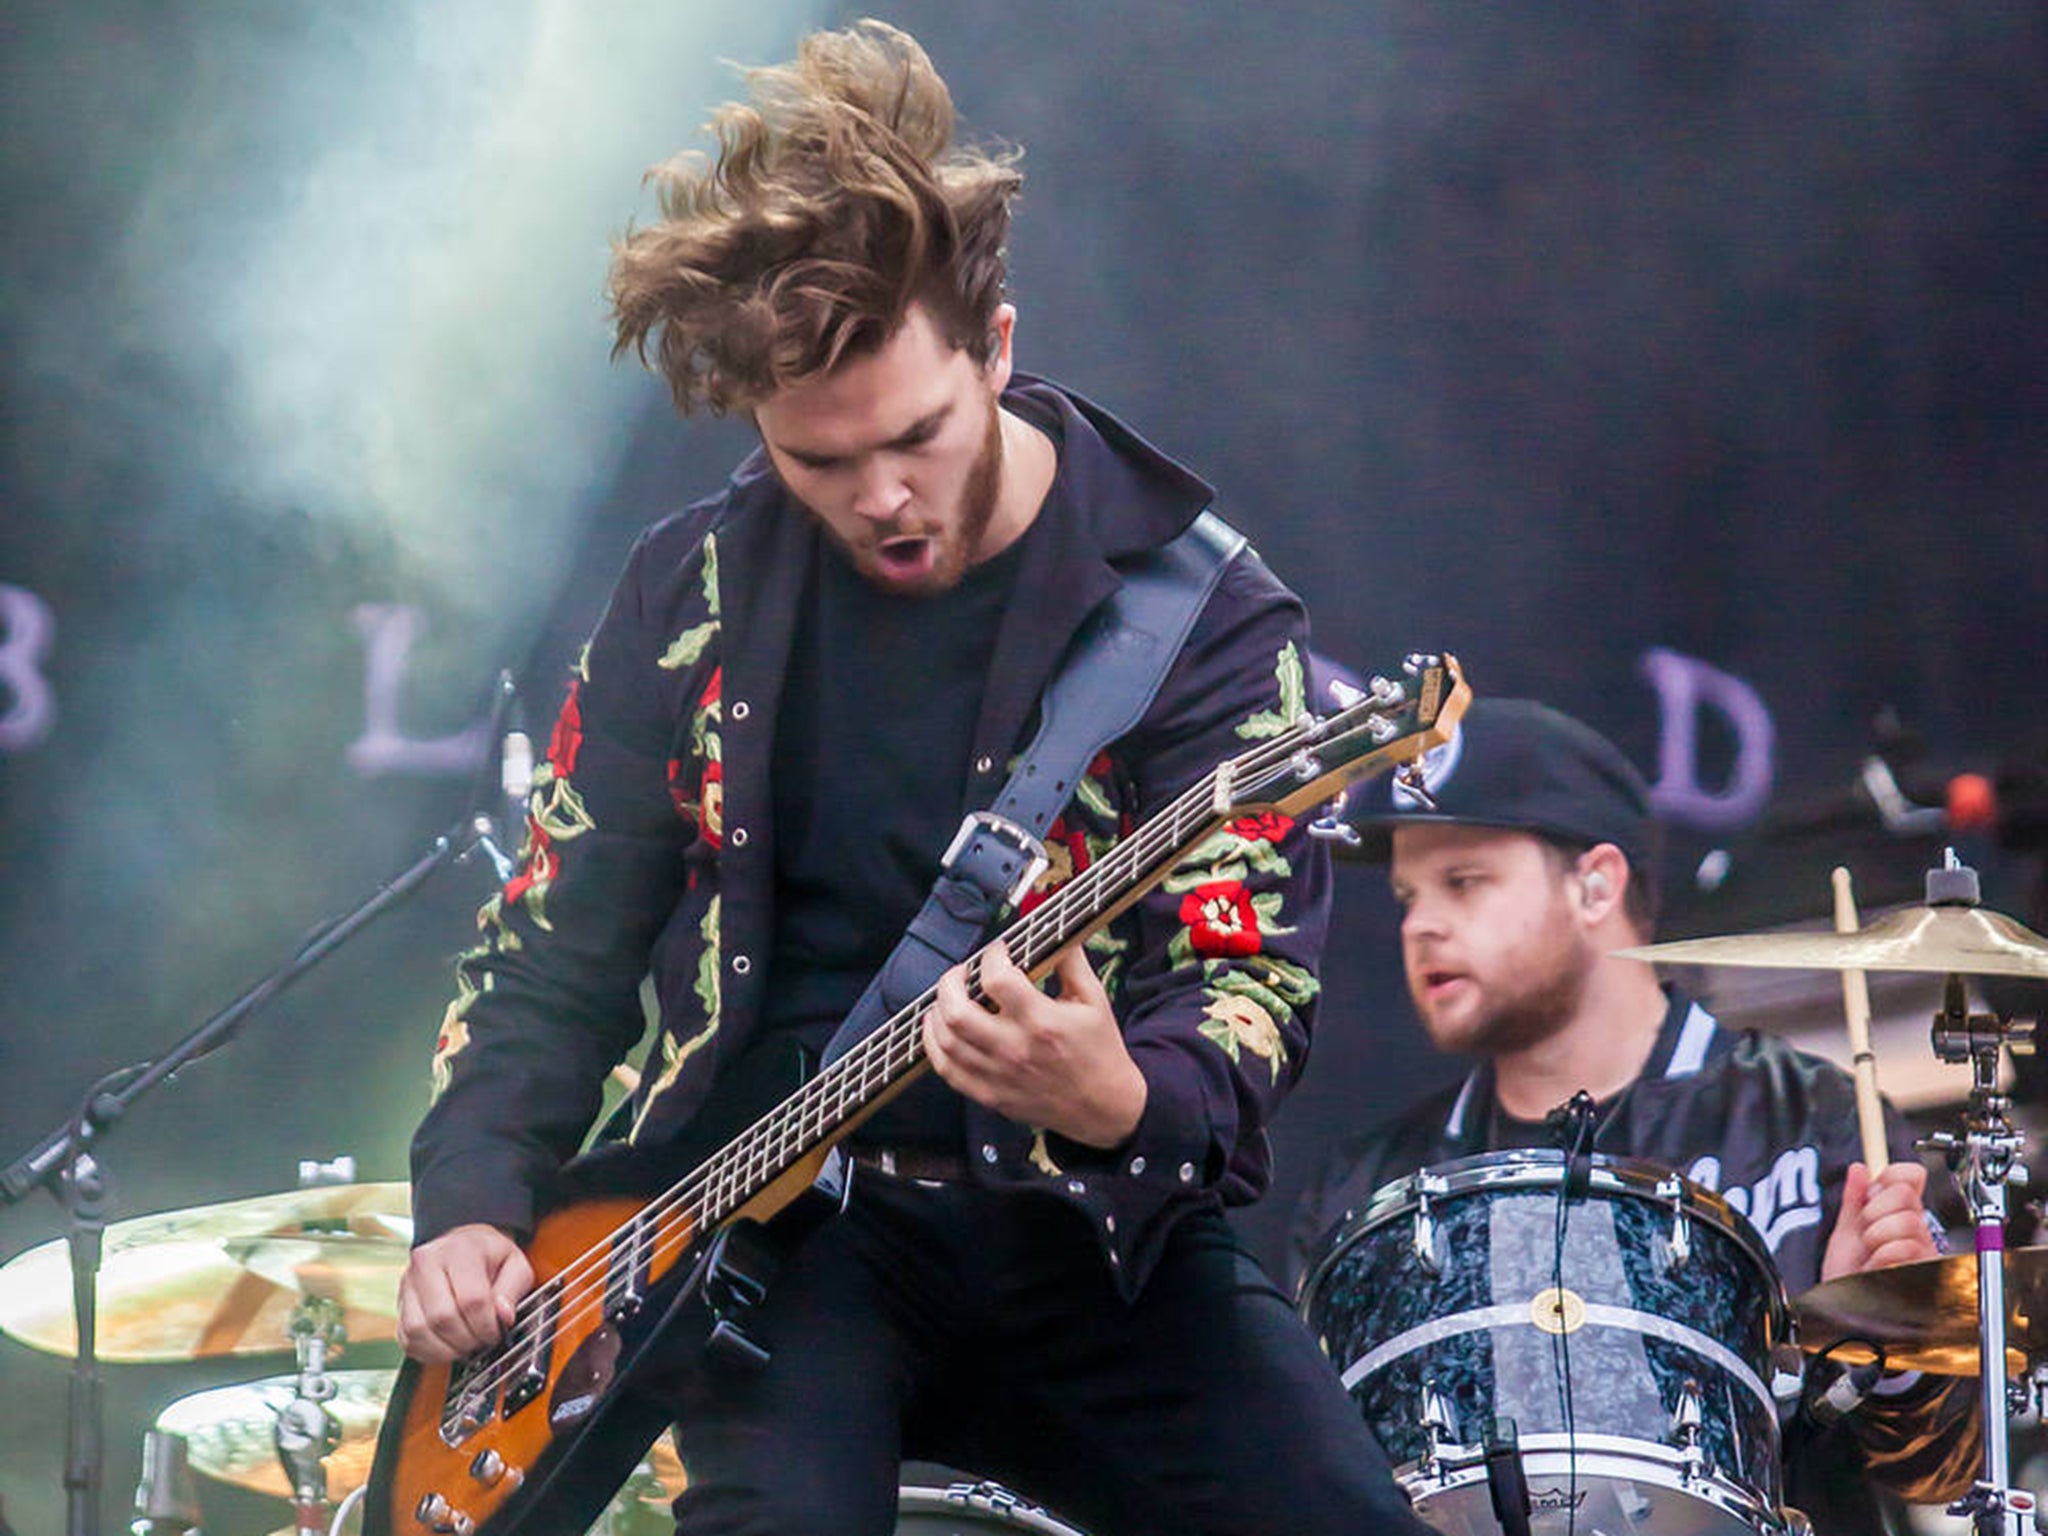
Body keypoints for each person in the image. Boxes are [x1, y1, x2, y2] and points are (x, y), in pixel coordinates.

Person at [395, 20, 1428, 1536]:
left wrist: (1120, 1094)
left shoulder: (1197, 610)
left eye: (917, 437)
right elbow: (553, 944)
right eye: (819, 462)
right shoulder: (687, 597)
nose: (879, 496)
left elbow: (1246, 979)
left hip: (1093, 1240)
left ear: (997, 347)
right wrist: (476, 1198)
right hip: (775, 1257)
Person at [1288, 696, 1980, 1534]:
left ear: (1596, 885)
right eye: (1407, 896)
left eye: (1463, 882)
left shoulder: (1809, 1114)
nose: (1421, 924)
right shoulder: (1369, 1197)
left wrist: (1887, 1336)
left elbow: (1947, 1472)